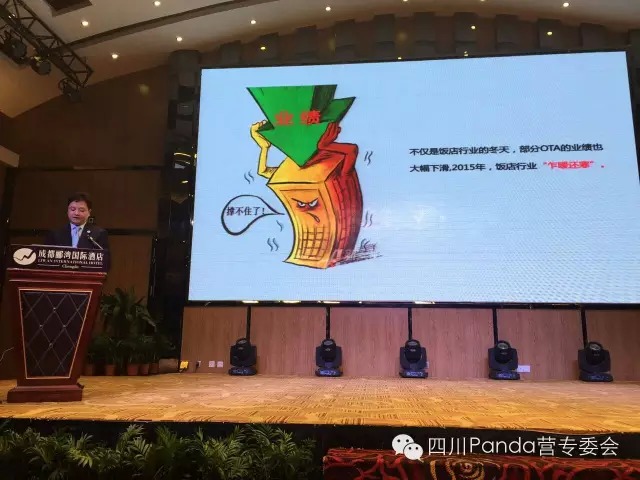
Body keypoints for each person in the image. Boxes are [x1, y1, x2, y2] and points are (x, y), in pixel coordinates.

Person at [44, 192, 110, 257]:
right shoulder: (55, 234)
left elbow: (105, 260)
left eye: (81, 210)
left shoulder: (99, 234)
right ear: (67, 211)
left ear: (89, 212)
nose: (76, 213)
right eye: (73, 209)